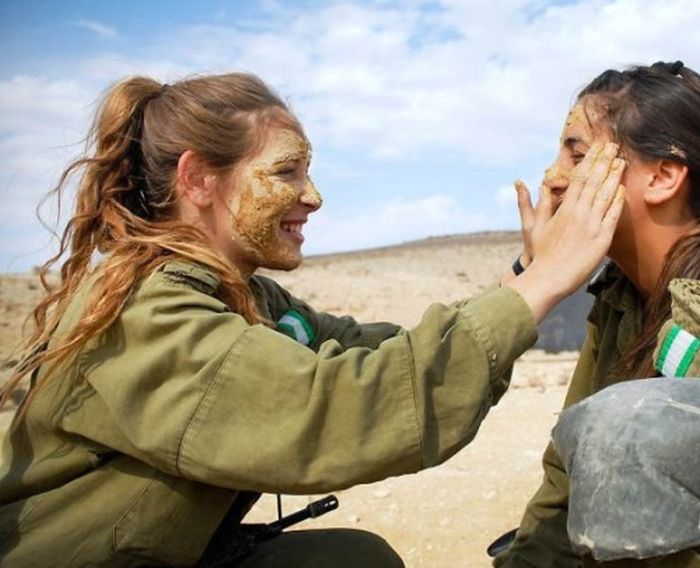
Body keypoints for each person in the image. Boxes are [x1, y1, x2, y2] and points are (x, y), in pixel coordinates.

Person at [0, 72, 623, 567]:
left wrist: (522, 276)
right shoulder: (146, 310)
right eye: (285, 171)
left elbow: (379, 356)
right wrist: (543, 286)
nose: (313, 195)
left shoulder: (245, 298)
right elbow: (330, 411)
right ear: (198, 179)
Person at [494, 61, 700, 567]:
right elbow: (567, 478)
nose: (552, 178)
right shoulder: (620, 296)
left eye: (576, 153)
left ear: (662, 176)